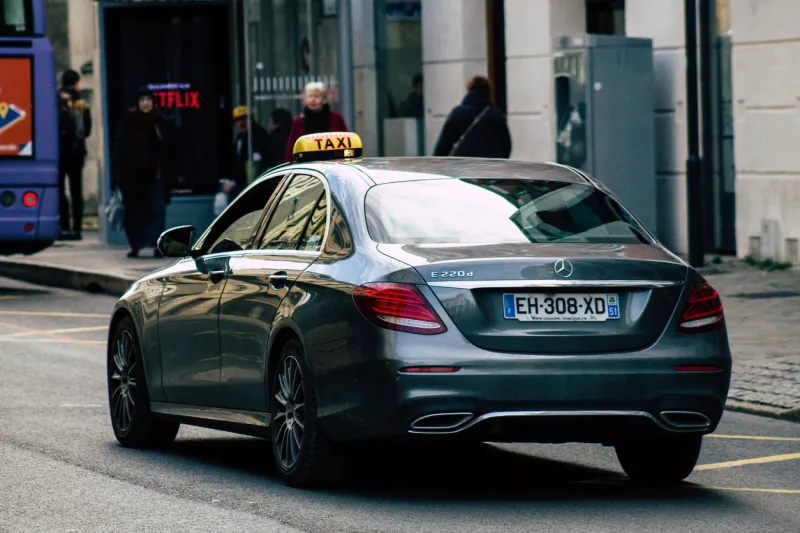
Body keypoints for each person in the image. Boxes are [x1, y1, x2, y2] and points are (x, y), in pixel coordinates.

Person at [111, 87, 176, 258]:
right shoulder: (128, 123)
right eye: (142, 101)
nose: (145, 104)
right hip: (133, 178)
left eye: (148, 100)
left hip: (156, 176)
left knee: (157, 211)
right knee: (134, 212)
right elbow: (120, 150)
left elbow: (170, 149)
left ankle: (157, 245)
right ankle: (136, 245)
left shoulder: (160, 123)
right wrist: (118, 175)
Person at [432, 75, 511, 158]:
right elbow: (506, 145)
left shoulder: (458, 113)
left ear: (469, 89)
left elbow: (444, 144)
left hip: (465, 164)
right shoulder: (496, 114)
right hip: (491, 165)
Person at [57, 69, 92, 241]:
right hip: (77, 151)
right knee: (76, 189)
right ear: (76, 82)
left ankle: (64, 225)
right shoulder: (80, 101)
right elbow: (88, 128)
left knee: (60, 189)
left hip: (59, 150)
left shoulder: (56, 99)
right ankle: (77, 228)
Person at [284, 82, 348, 162]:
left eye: (316, 96)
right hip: (306, 165)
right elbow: (291, 149)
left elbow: (346, 143)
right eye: (310, 96)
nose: (313, 99)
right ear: (305, 99)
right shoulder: (299, 121)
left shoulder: (335, 118)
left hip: (333, 163)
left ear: (323, 99)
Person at [226, 106, 271, 201]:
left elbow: (258, 157)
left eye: (243, 119)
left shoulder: (257, 134)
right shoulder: (240, 136)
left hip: (254, 177)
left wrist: (236, 181)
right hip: (243, 178)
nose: (240, 123)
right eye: (237, 120)